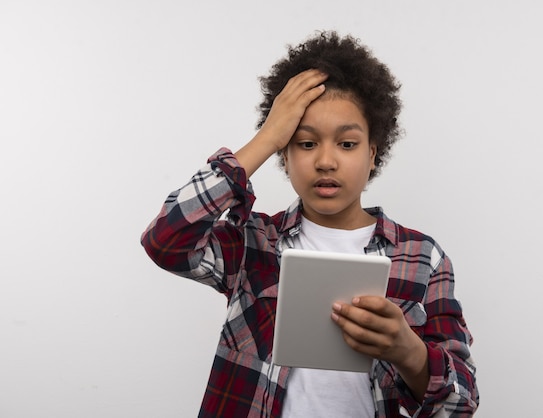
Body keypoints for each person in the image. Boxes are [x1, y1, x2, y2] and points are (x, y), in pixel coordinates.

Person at [141, 31, 478, 417]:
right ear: (284, 155)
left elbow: (460, 404)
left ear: (373, 154)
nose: (326, 161)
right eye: (305, 143)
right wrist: (266, 138)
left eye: (347, 144)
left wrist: (409, 351)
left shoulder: (422, 258)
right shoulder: (255, 243)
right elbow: (165, 240)